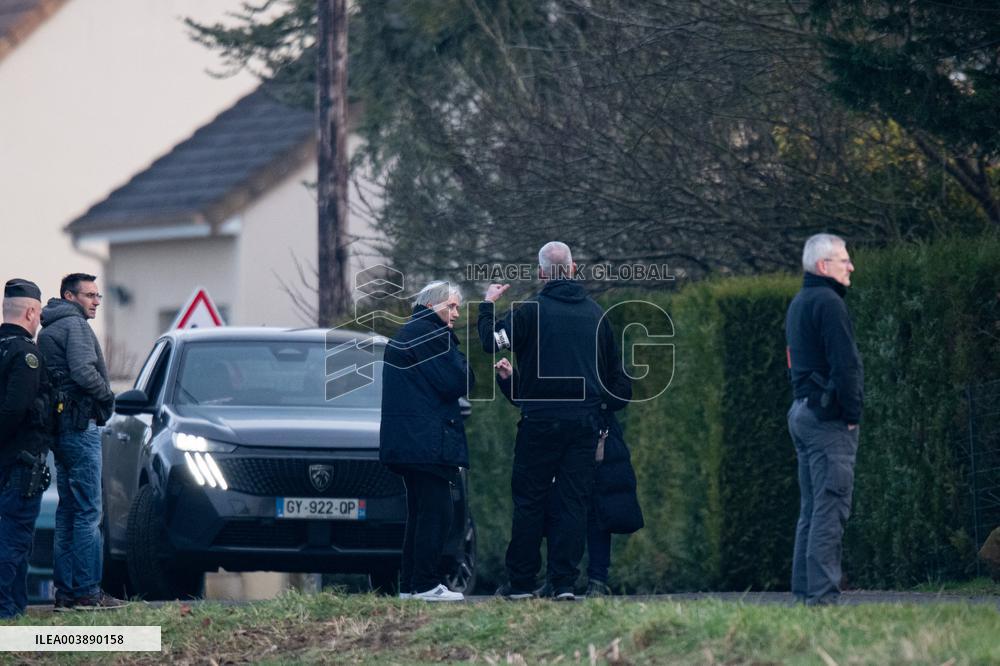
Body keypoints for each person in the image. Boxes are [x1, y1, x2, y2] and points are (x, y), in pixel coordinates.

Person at [478, 241, 631, 600]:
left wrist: (487, 304)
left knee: (530, 500)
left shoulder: (529, 311)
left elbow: (491, 342)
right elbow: (616, 378)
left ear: (542, 273)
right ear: (574, 270)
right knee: (573, 502)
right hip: (583, 425)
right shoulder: (597, 315)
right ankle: (563, 583)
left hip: (539, 422)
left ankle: (521, 583)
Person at [494, 358, 641, 597]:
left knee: (596, 510)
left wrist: (595, 398)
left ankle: (595, 579)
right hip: (577, 437)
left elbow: (622, 392)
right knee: (561, 508)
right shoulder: (560, 351)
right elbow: (529, 399)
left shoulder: (594, 350)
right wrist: (510, 379)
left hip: (598, 439)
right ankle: (560, 579)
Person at [379, 281, 475, 602]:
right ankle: (425, 584)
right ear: (433, 305)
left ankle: (410, 586)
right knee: (437, 513)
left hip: (409, 442)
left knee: (420, 513)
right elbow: (459, 380)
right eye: (452, 306)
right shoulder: (432, 336)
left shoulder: (408, 333)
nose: (456, 314)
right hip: (427, 442)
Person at [785, 233, 864, 606]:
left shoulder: (800, 302)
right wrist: (851, 414)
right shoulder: (829, 304)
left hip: (802, 411)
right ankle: (822, 600)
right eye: (843, 260)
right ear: (823, 266)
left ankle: (805, 595)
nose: (850, 266)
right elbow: (846, 366)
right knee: (831, 509)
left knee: (812, 509)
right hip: (827, 420)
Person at [38, 273, 123, 610]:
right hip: (80, 426)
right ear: (69, 296)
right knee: (89, 512)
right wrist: (108, 397)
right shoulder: (75, 326)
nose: (96, 302)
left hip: (59, 428)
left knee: (69, 512)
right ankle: (88, 591)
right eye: (89, 295)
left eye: (98, 295)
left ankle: (67, 593)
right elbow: (85, 372)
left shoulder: (47, 330)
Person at [0, 279, 58, 619]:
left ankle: (15, 612)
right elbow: (15, 409)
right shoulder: (27, 355)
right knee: (14, 539)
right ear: (32, 312)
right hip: (21, 463)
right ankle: (7, 612)